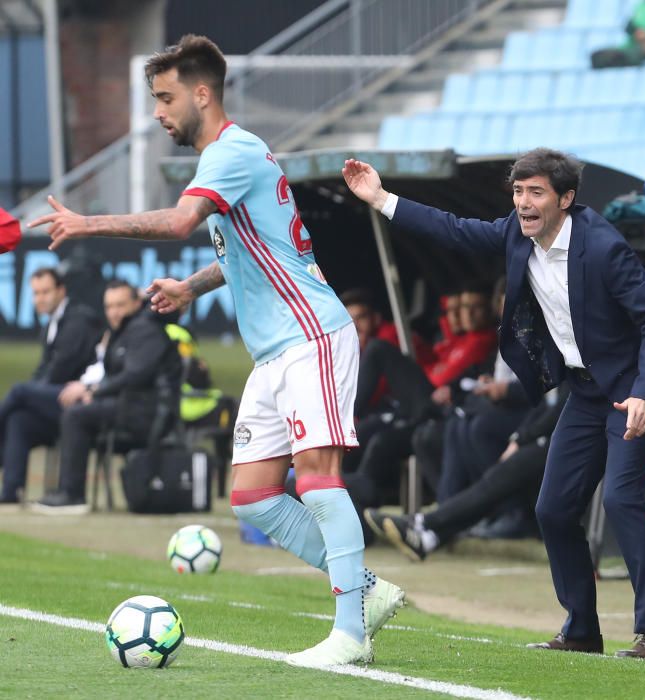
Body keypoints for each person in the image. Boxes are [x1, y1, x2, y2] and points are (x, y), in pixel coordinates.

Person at [28, 34, 403, 668]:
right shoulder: (228, 159)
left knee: (315, 481)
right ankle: (364, 589)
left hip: (311, 334)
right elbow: (248, 255)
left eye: (165, 97)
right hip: (274, 350)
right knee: (252, 495)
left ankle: (350, 634)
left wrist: (87, 223)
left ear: (203, 93)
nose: (157, 112)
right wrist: (189, 284)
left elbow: (178, 223)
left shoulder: (232, 151)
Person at [343, 147, 645, 661]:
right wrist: (381, 198)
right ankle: (581, 632)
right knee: (552, 508)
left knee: (621, 500)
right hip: (586, 392)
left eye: (536, 193)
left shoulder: (603, 246)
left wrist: (643, 392)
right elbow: (452, 228)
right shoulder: (514, 232)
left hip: (634, 389)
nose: (524, 203)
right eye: (518, 192)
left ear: (566, 199)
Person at [365, 384, 568, 560]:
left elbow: (561, 407)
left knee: (497, 478)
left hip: (575, 442)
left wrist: (524, 437)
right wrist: (520, 436)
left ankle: (424, 524)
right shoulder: (558, 353)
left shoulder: (575, 351)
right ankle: (429, 537)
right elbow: (543, 405)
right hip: (557, 437)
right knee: (493, 479)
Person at [30, 280, 182, 513]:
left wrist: (95, 391)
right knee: (76, 411)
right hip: (127, 406)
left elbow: (134, 375)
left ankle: (72, 494)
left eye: (120, 305)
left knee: (76, 416)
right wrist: (94, 393)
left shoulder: (144, 329)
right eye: (109, 306)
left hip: (148, 413)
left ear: (136, 303)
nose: (114, 312)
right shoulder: (119, 333)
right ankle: (64, 492)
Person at [0, 268, 102, 504]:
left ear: (61, 291)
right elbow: (43, 372)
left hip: (81, 398)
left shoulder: (78, 320)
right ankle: (10, 492)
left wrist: (33, 393)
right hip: (57, 399)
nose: (40, 298)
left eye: (45, 291)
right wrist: (35, 394)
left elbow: (60, 370)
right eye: (35, 293)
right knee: (19, 420)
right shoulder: (50, 325)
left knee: (19, 392)